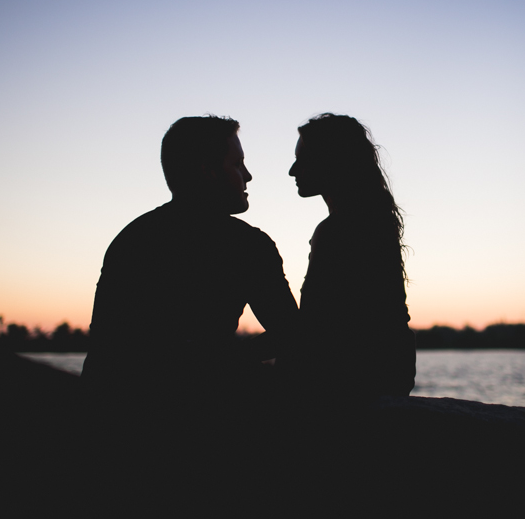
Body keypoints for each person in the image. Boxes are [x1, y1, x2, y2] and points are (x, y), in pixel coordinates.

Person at [81, 115, 298, 412]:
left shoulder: (132, 239)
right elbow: (290, 334)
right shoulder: (247, 246)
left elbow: (103, 356)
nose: (247, 176)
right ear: (207, 170)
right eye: (237, 164)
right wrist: (219, 361)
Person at [284, 113, 416, 400]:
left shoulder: (335, 231)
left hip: (350, 381)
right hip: (392, 373)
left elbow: (311, 327)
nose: (293, 170)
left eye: (303, 158)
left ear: (331, 161)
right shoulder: (372, 223)